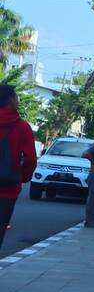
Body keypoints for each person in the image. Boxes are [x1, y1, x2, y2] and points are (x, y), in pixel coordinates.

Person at [0, 83, 37, 252]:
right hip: (8, 188)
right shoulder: (22, 127)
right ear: (10, 100)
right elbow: (30, 159)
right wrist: (22, 177)